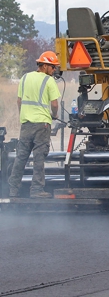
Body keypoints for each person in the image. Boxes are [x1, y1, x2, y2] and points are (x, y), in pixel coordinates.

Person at [8, 51, 61, 198]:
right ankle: (36, 190)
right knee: (39, 158)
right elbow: (55, 104)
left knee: (21, 157)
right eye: (52, 67)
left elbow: (19, 101)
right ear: (44, 66)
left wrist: (23, 116)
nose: (54, 70)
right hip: (42, 125)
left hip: (26, 124)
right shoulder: (49, 81)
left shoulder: (24, 78)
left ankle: (13, 190)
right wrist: (54, 115)